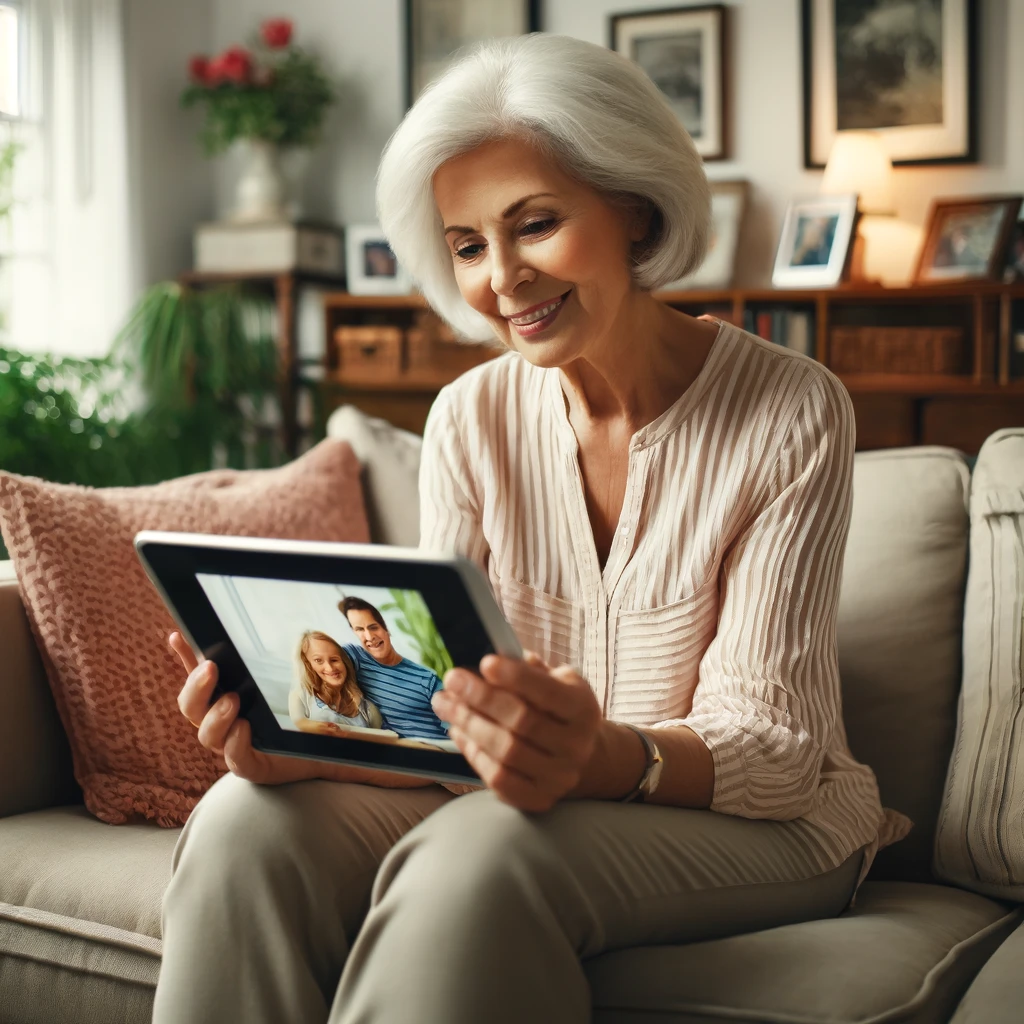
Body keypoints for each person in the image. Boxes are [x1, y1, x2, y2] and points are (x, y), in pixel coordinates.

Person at [156, 34, 908, 1024]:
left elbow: (774, 751)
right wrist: (312, 744)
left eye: (535, 224)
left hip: (774, 823)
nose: (501, 278)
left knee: (477, 853)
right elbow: (441, 707)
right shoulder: (470, 417)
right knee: (240, 823)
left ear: (632, 207)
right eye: (467, 244)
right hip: (533, 802)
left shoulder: (791, 410)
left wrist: (602, 755)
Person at [337, 596, 448, 740]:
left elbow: (454, 725)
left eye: (373, 627)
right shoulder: (355, 657)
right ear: (354, 632)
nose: (369, 636)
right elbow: (318, 664)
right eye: (360, 629)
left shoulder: (426, 678)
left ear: (386, 628)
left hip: (441, 748)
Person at [289, 630, 384, 735]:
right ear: (308, 664)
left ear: (344, 661)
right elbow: (296, 724)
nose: (329, 668)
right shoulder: (302, 695)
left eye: (334, 660)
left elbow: (378, 744)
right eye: (318, 661)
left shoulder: (368, 709)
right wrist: (316, 728)